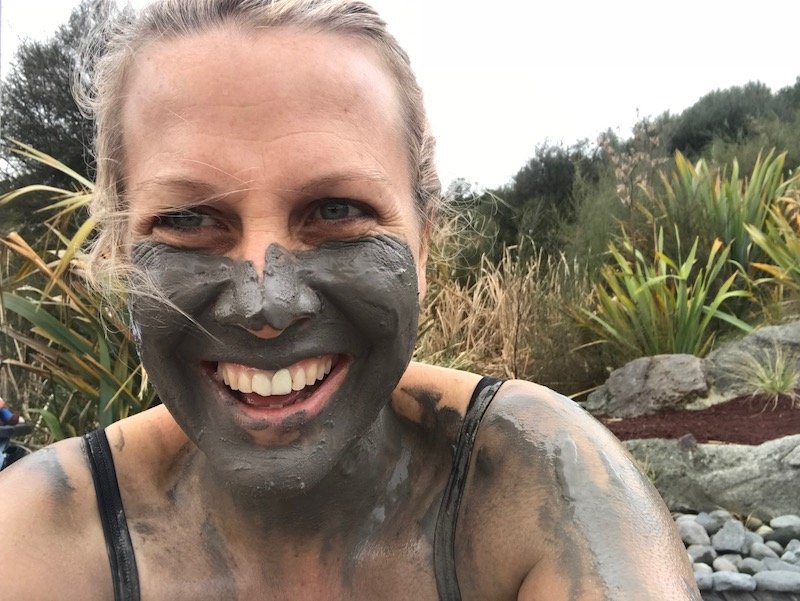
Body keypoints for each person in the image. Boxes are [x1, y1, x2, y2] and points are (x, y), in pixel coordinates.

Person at [0, 1, 700, 599]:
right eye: (188, 221)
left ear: (424, 244)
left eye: (336, 209)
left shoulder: (534, 483)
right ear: (124, 254)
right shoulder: (43, 534)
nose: (265, 305)